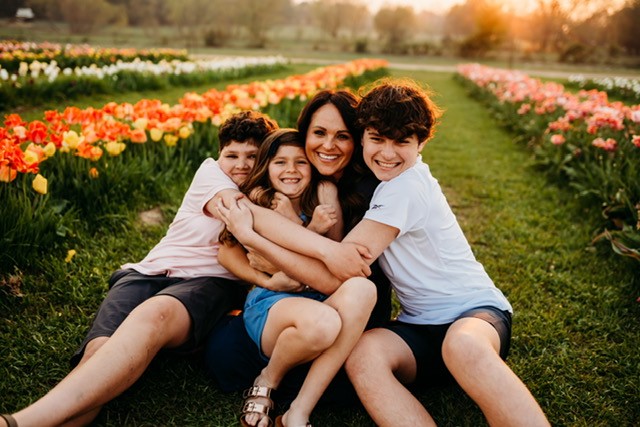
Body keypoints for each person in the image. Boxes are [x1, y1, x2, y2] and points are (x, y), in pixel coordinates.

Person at [215, 78, 550, 426]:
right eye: (377, 139)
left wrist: (253, 235)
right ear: (363, 137)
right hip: (417, 326)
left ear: (422, 143)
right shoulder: (357, 183)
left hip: (473, 316)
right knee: (361, 356)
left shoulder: (404, 187)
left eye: (401, 142)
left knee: (461, 347)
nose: (387, 154)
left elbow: (335, 274)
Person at [0, 110, 279, 427]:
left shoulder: (274, 191)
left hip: (209, 283)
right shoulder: (211, 175)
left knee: (155, 314)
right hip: (147, 272)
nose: (240, 164)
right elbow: (239, 215)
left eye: (252, 156)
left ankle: (14, 423)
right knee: (98, 356)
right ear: (219, 156)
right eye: (232, 154)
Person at [203, 89, 392, 411]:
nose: (328, 146)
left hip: (332, 302)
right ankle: (269, 381)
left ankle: (291, 397)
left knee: (357, 294)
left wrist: (305, 228)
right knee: (319, 327)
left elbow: (334, 273)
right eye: (318, 134)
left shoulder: (350, 190)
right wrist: (267, 276)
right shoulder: (268, 196)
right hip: (284, 304)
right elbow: (229, 248)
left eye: (342, 136)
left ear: (357, 140)